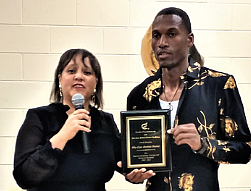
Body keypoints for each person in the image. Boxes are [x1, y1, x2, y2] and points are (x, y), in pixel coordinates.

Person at [124, 7, 251, 191]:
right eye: (157, 36)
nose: (162, 42)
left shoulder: (219, 85)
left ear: (189, 40)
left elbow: (244, 150)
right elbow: (135, 159)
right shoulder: (140, 95)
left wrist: (202, 144)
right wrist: (132, 175)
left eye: (172, 34)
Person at [13, 48, 121, 191]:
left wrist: (133, 173)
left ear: (96, 82)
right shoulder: (38, 117)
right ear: (59, 79)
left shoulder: (106, 121)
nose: (79, 76)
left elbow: (123, 161)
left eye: (87, 72)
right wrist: (63, 135)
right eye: (71, 71)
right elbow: (24, 177)